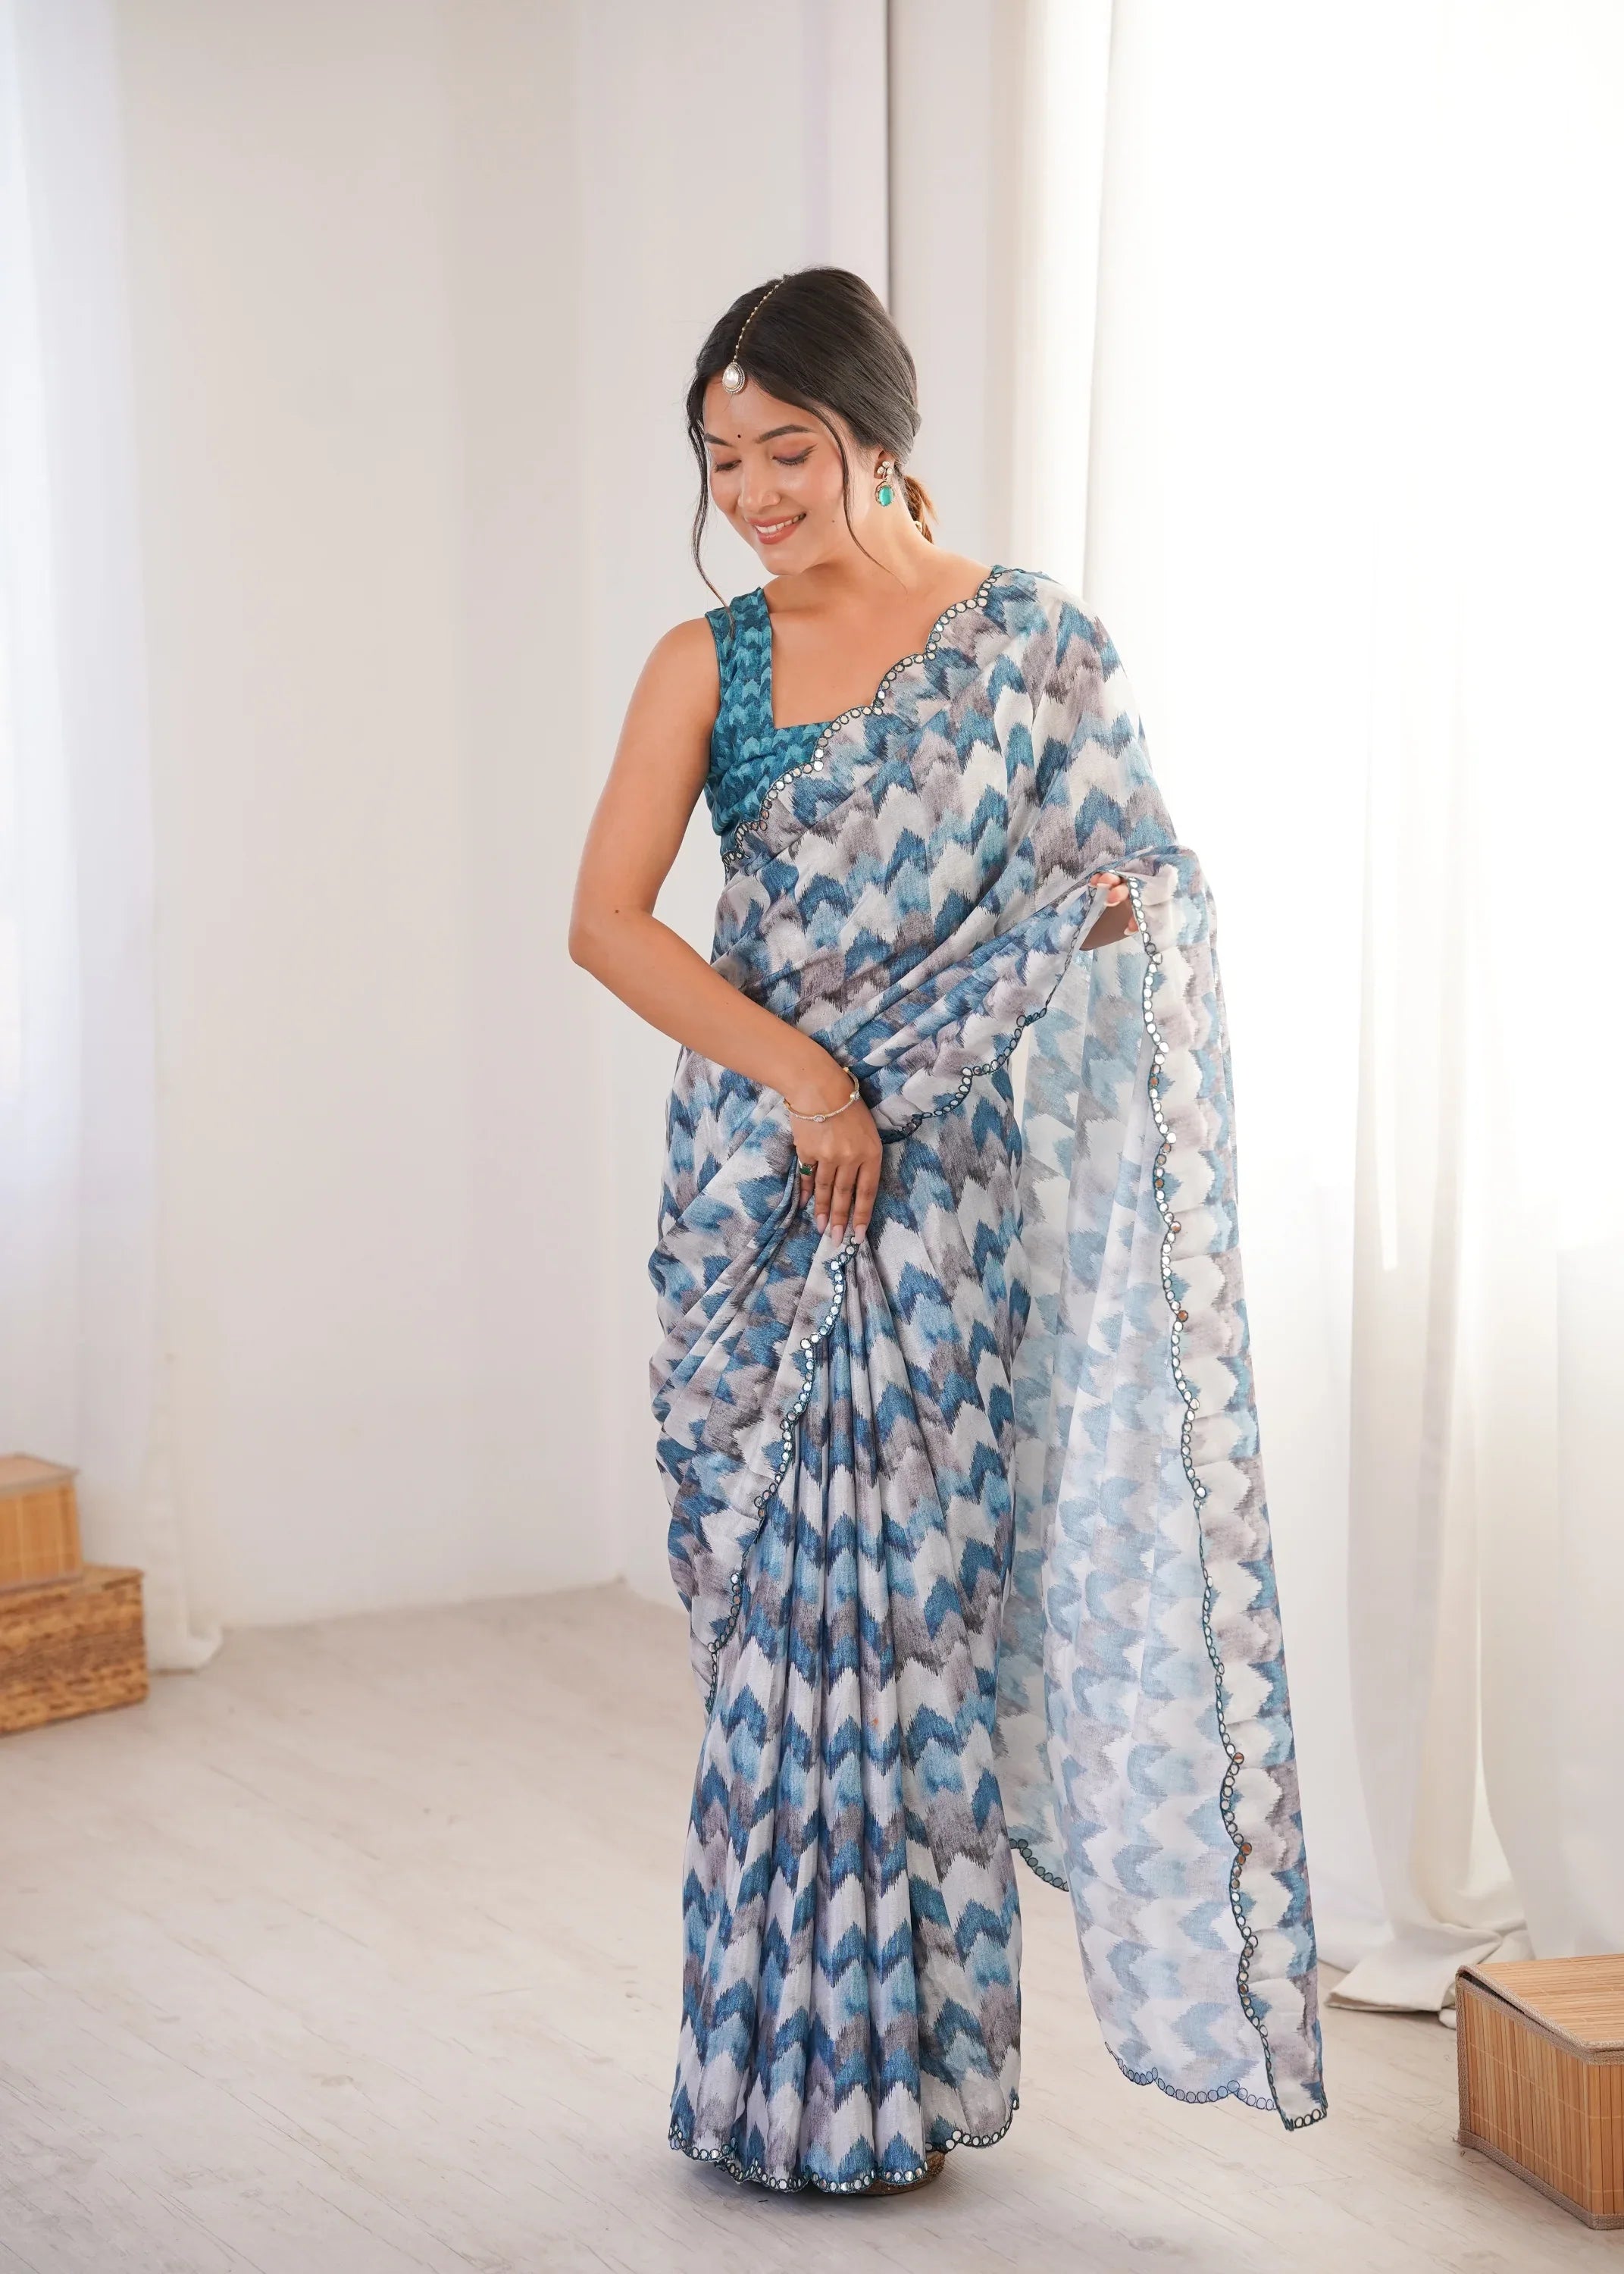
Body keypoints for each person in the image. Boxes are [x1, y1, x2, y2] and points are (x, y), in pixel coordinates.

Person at [569, 266, 1327, 2198]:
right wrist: (815, 1082)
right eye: (723, 459)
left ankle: (895, 2080)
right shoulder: (708, 666)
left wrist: (983, 988)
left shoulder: (1035, 646)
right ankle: (775, 2079)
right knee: (777, 1644)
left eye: (788, 451)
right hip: (768, 1192)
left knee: (916, 1629)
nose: (753, 493)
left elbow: (1131, 886)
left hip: (945, 1203)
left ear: (877, 439)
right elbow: (608, 924)